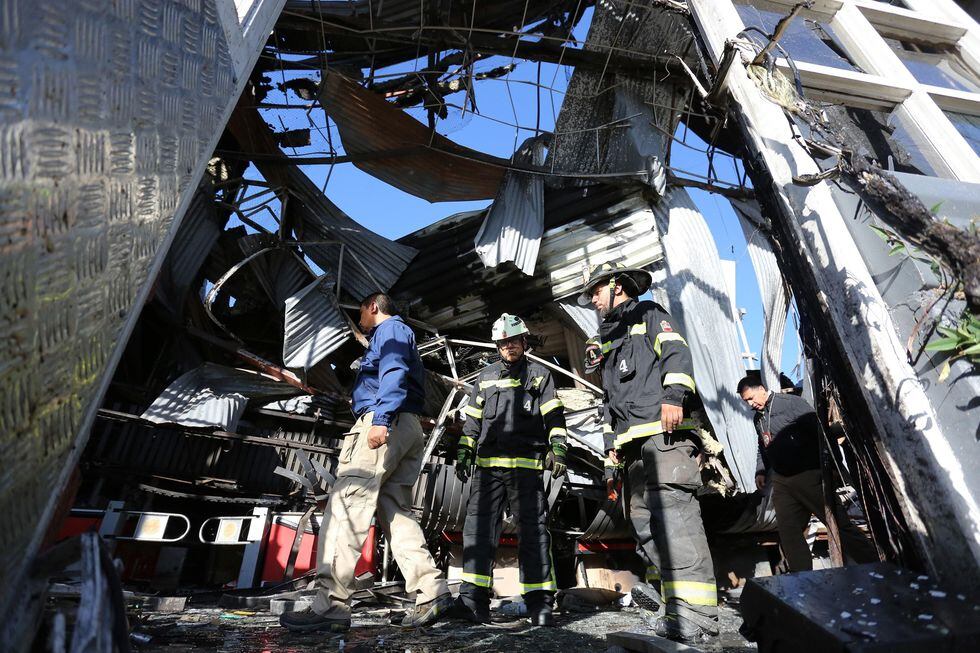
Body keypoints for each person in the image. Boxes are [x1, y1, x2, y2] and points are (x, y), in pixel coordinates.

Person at [280, 293, 453, 633]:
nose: (358, 317)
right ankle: (430, 591)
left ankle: (330, 604)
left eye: (359, 310)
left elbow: (394, 369)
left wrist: (380, 419)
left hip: (384, 420)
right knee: (395, 511)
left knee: (347, 506)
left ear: (373, 306)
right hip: (408, 425)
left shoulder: (389, 331)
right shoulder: (400, 334)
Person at [579, 263, 718, 643]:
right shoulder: (610, 335)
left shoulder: (650, 314)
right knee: (644, 524)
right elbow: (609, 400)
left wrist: (674, 397)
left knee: (676, 520)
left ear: (616, 287)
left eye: (595, 291)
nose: (591, 300)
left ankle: (700, 614)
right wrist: (611, 450)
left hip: (664, 434)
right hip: (631, 446)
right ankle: (675, 602)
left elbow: (676, 354)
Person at [454, 313, 568, 626]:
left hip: (526, 469)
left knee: (533, 534)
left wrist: (558, 448)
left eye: (513, 341)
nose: (508, 347)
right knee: (477, 532)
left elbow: (554, 418)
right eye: (503, 343)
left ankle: (539, 605)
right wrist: (465, 450)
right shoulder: (486, 376)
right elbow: (473, 421)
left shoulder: (539, 375)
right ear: (497, 346)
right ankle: (472, 602)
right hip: (488, 470)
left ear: (523, 342)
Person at [737, 376, 878, 572]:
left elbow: (821, 433)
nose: (751, 404)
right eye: (746, 402)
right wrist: (761, 470)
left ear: (761, 389)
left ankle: (875, 564)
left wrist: (834, 467)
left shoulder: (792, 404)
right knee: (788, 531)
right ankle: (800, 577)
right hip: (781, 481)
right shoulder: (758, 418)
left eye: (752, 398)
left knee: (837, 523)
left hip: (808, 474)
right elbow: (763, 446)